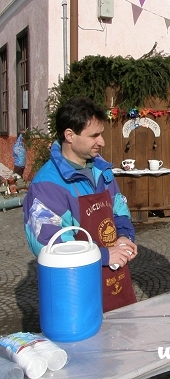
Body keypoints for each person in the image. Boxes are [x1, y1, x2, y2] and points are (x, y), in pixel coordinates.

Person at [23, 97, 137, 312]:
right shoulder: (47, 186)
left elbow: (119, 208)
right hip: (76, 291)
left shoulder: (101, 170)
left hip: (115, 282)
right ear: (69, 135)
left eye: (101, 134)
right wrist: (104, 255)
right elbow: (49, 245)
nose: (102, 142)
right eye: (94, 135)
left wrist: (124, 236)